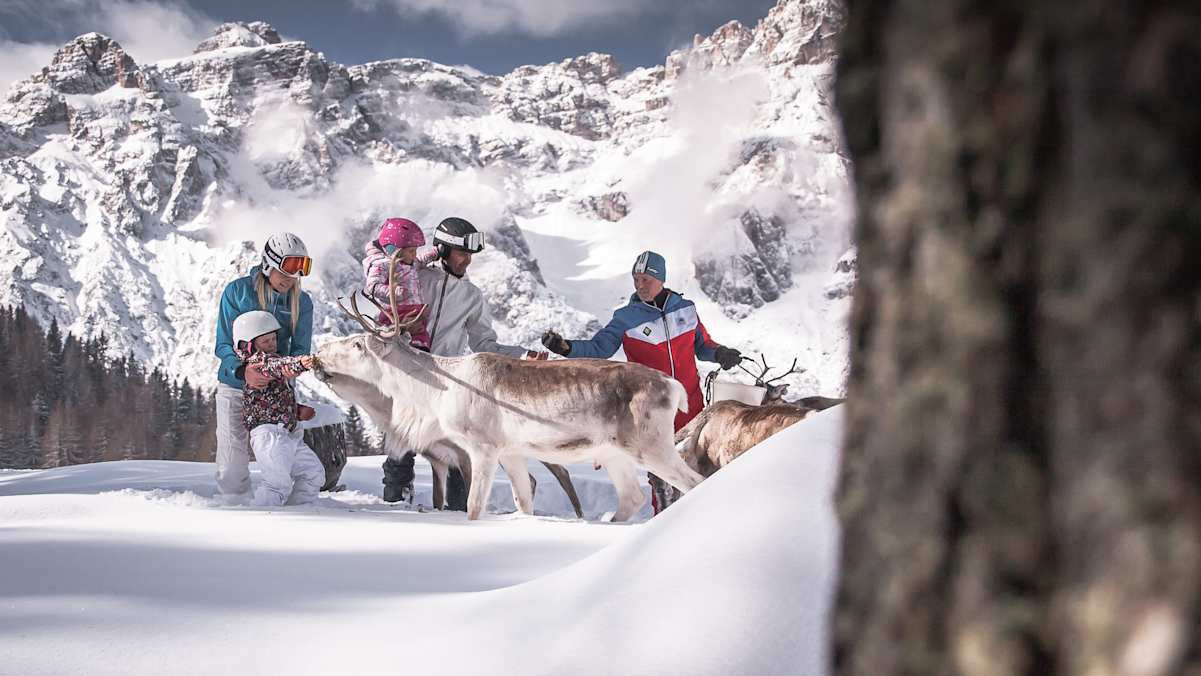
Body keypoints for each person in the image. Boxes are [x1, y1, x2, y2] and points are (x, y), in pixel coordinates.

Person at [540, 250, 743, 512]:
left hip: (691, 406)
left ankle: (702, 519)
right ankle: (662, 523)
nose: (640, 285)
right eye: (636, 279)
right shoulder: (625, 318)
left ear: (660, 279)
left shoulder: (686, 309)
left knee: (699, 466)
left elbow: (702, 346)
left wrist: (719, 353)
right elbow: (599, 348)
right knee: (660, 471)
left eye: (646, 279)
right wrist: (566, 348)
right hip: (651, 411)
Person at [380, 216, 547, 505]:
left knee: (457, 464)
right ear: (443, 251)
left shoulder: (471, 296)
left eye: (470, 254)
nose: (467, 260)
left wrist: (522, 354)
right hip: (410, 382)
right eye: (462, 253)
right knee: (398, 464)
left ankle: (458, 523)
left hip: (447, 390)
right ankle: (396, 513)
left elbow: (484, 344)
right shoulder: (417, 280)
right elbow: (386, 314)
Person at [213, 233, 314, 498]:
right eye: (288, 268)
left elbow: (300, 350)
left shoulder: (301, 302)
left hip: (275, 395)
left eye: (300, 270)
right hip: (236, 387)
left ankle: (297, 517)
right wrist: (243, 371)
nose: (292, 278)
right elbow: (223, 344)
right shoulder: (238, 292)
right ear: (270, 263)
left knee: (286, 462)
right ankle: (234, 513)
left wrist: (293, 369)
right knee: (231, 469)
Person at [231, 311, 323, 507]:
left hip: (286, 434)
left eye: (273, 339)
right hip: (268, 435)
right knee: (276, 485)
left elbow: (272, 400)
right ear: (248, 345)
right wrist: (299, 363)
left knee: (313, 474)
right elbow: (277, 366)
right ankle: (262, 522)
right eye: (265, 341)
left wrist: (296, 411)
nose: (272, 344)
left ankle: (298, 513)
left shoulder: (270, 361)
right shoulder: (258, 364)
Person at [362, 217, 431, 350]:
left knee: (420, 346)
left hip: (414, 312)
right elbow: (372, 286)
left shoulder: (408, 262)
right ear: (393, 249)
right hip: (395, 315)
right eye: (411, 251)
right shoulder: (382, 264)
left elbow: (420, 261)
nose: (414, 255)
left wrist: (434, 253)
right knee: (401, 349)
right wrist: (395, 292)